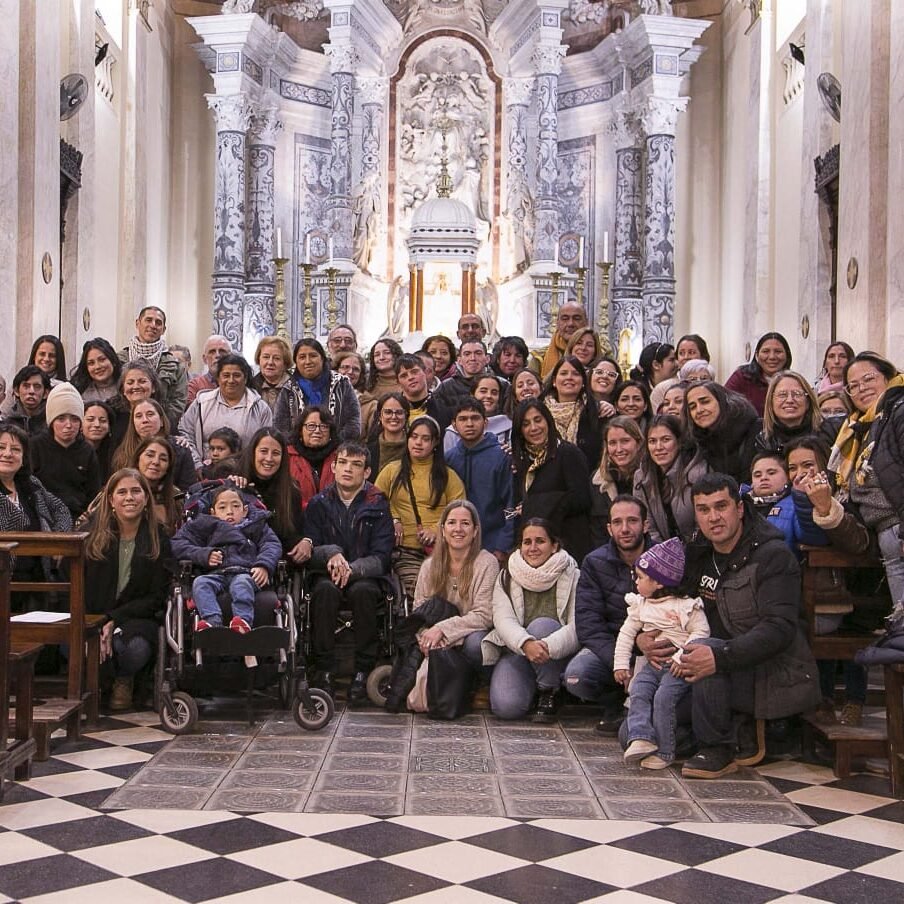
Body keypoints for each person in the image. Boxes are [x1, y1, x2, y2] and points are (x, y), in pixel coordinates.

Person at [663, 473, 820, 779]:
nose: (713, 517)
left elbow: (779, 630)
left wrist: (718, 657)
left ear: (740, 508)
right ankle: (730, 729)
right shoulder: (699, 553)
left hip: (769, 671)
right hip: (712, 668)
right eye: (704, 509)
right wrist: (652, 639)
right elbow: (675, 606)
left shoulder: (773, 556)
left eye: (721, 506)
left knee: (705, 652)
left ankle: (717, 747)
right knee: (642, 729)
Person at [304, 441, 394, 702]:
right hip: (325, 575)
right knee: (323, 591)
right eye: (342, 463)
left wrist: (352, 569)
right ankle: (324, 669)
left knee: (364, 592)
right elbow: (309, 547)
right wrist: (330, 553)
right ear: (333, 467)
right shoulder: (318, 504)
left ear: (366, 472)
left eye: (356, 465)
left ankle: (363, 670)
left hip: (365, 576)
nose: (347, 469)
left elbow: (382, 557)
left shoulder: (377, 504)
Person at [616, 537, 710, 770]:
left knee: (663, 699)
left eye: (640, 577)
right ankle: (641, 737)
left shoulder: (685, 605)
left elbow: (701, 630)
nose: (635, 582)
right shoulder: (642, 605)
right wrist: (620, 663)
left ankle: (666, 751)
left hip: (678, 667)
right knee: (638, 689)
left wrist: (681, 657)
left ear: (658, 582)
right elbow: (626, 633)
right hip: (652, 666)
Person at [84, 468, 172, 711]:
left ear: (146, 498)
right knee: (76, 646)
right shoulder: (90, 535)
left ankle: (123, 680)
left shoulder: (159, 538)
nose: (129, 497)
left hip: (136, 619)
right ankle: (97, 686)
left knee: (131, 649)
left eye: (136, 491)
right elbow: (74, 585)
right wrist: (97, 624)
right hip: (90, 616)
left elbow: (157, 596)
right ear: (111, 500)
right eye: (121, 492)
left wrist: (115, 619)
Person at [565, 495, 651, 733]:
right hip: (613, 647)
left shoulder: (663, 560)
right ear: (609, 528)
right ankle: (615, 704)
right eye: (618, 522)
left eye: (632, 521)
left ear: (646, 525)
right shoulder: (594, 562)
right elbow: (588, 624)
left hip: (654, 648)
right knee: (577, 676)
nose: (625, 529)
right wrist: (621, 663)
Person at [483, 519, 581, 721]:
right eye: (527, 542)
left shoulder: (573, 574)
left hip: (556, 652)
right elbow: (503, 619)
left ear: (554, 546)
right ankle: (531, 688)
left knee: (541, 626)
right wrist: (526, 644)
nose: (533, 548)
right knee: (506, 708)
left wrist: (546, 645)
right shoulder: (506, 576)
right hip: (519, 650)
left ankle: (549, 690)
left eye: (540, 541)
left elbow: (577, 626)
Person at [829, 351, 904, 611]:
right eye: (853, 386)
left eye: (869, 379)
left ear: (888, 376)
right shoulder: (861, 426)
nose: (862, 389)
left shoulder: (899, 411)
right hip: (887, 533)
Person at [171, 484, 282, 633]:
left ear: (245, 510)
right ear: (213, 512)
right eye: (222, 508)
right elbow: (177, 544)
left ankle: (243, 621)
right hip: (215, 574)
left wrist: (264, 565)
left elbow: (271, 544)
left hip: (246, 572)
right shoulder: (205, 527)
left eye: (235, 506)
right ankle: (212, 622)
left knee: (240, 584)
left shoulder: (257, 526)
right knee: (200, 583)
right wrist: (204, 554)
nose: (229, 511)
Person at [374, 415, 465, 596]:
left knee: (449, 590)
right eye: (414, 437)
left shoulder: (448, 475)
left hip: (443, 550)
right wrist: (394, 518)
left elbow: (461, 512)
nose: (418, 443)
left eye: (425, 439)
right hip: (405, 552)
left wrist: (436, 529)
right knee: (419, 589)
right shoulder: (392, 471)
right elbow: (374, 502)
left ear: (435, 443)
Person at [511, 399, 592, 564]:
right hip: (535, 551)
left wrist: (534, 506)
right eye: (526, 424)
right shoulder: (522, 461)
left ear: (548, 420)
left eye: (538, 420)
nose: (533, 428)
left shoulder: (567, 453)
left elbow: (581, 499)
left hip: (569, 547)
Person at [0, 425, 72, 595]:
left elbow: (60, 509)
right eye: (1, 448)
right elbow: (18, 523)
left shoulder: (31, 484)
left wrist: (58, 539)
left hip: (37, 580)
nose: (8, 454)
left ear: (24, 458)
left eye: (16, 449)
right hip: (4, 583)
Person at [445, 399, 514, 562]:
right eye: (463, 419)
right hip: (456, 545)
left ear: (485, 422)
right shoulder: (449, 459)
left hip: (493, 546)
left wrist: (502, 546)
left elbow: (511, 504)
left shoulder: (502, 457)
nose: (469, 423)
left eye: (475, 418)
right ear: (454, 425)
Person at [179, 353, 273, 470]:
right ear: (218, 378)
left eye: (237, 375)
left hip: (246, 473)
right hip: (203, 472)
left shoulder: (261, 408)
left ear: (246, 378)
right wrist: (197, 465)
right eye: (226, 375)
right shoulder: (201, 402)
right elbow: (186, 434)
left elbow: (266, 443)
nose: (231, 380)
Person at [30, 383, 102, 522]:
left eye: (74, 419)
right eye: (61, 419)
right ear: (51, 421)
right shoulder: (35, 446)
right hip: (42, 518)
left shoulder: (87, 451)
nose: (68, 425)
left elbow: (93, 492)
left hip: (78, 519)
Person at [633, 414, 709, 542]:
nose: (658, 447)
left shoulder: (699, 473)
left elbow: (703, 524)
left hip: (699, 550)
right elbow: (648, 526)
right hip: (662, 553)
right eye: (652, 441)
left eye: (666, 439)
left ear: (679, 442)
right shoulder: (641, 477)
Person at [236, 428, 307, 563]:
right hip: (234, 560)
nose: (269, 458)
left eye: (276, 453)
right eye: (263, 451)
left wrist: (306, 541)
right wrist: (230, 487)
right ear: (253, 452)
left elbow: (290, 536)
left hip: (272, 563)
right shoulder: (233, 479)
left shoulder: (292, 491)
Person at [274, 338, 361, 441]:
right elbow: (280, 427)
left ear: (322, 359)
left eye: (313, 356)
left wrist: (333, 444)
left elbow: (353, 421)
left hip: (337, 450)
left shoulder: (341, 384)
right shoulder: (288, 389)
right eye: (302, 357)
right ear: (296, 362)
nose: (308, 361)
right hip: (297, 453)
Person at [119, 306, 188, 427]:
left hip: (160, 428)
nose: (153, 325)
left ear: (163, 329)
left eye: (158, 322)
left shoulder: (175, 366)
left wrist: (156, 424)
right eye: (148, 320)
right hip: (124, 425)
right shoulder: (119, 360)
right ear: (137, 323)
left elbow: (178, 404)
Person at [112, 398, 196, 490]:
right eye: (139, 416)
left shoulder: (180, 449)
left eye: (150, 414)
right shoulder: (122, 453)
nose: (145, 420)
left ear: (161, 421)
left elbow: (188, 489)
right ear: (133, 423)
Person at [686, 381, 760, 483]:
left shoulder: (755, 429)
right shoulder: (698, 444)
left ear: (722, 401)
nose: (699, 410)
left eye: (705, 402)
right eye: (692, 407)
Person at [590, 416, 644, 547]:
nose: (619, 449)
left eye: (625, 441)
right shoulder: (598, 481)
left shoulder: (651, 476)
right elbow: (598, 531)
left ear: (638, 443)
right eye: (613, 443)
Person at [756, 370, 835, 456]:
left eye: (797, 394)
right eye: (782, 395)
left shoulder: (829, 431)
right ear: (771, 402)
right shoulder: (764, 441)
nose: (790, 400)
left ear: (808, 402)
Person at [541, 355, 601, 470]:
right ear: (554, 381)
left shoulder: (596, 412)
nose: (569, 377)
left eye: (575, 374)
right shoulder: (540, 412)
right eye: (563, 373)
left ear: (583, 381)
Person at [724, 331, 792, 416]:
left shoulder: (793, 381)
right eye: (765, 351)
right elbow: (723, 405)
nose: (772, 357)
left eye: (778, 351)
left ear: (787, 355)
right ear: (756, 355)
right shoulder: (742, 377)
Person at [287, 405, 339, 508]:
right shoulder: (287, 456)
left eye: (324, 426)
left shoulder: (340, 457)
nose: (317, 431)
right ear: (300, 430)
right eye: (311, 426)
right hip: (296, 518)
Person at [432, 340, 491, 429]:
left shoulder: (501, 384)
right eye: (467, 354)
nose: (473, 358)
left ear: (487, 358)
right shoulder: (446, 387)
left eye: (478, 353)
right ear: (459, 360)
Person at [108, 360, 165, 447]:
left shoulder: (164, 415)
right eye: (130, 383)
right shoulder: (113, 416)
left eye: (142, 381)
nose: (136, 386)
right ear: (123, 390)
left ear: (153, 387)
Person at [131, 437, 182, 533]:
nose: (156, 462)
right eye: (150, 455)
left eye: (163, 459)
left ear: (168, 467)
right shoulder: (118, 489)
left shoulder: (177, 496)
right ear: (138, 459)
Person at [359, 339, 402, 437]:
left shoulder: (405, 383)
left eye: (387, 353)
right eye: (377, 355)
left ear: (396, 355)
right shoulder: (367, 385)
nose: (381, 358)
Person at [535, 302, 588, 378]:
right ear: (557, 323)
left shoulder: (599, 354)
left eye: (577, 319)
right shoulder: (539, 359)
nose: (570, 324)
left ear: (586, 322)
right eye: (565, 319)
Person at [366, 392, 410, 477]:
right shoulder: (368, 451)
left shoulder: (414, 447)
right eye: (388, 412)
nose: (393, 417)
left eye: (399, 412)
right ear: (380, 416)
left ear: (406, 416)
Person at [394, 353, 444, 424]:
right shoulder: (391, 409)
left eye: (414, 372)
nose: (410, 377)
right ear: (398, 382)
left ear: (425, 372)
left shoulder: (443, 406)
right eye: (404, 375)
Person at [70, 338, 122, 403]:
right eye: (91, 363)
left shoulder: (126, 387)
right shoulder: (78, 393)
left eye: (102, 360)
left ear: (113, 361)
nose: (97, 367)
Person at [1, 366, 50, 434]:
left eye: (37, 386)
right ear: (16, 391)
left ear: (46, 393)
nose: (31, 391)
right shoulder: (6, 423)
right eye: (26, 386)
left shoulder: (51, 422)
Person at [251, 336, 292, 411]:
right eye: (266, 357)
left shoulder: (296, 388)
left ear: (285, 363)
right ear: (258, 359)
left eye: (276, 358)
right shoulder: (250, 387)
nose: (270, 362)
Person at [187, 334, 232, 403]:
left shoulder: (238, 383)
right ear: (204, 359)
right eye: (212, 352)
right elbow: (191, 412)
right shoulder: (194, 386)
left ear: (231, 356)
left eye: (222, 351)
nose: (217, 355)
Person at [84, 400, 116, 483]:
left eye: (103, 420)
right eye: (90, 419)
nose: (97, 424)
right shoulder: (72, 451)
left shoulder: (116, 454)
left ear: (109, 427)